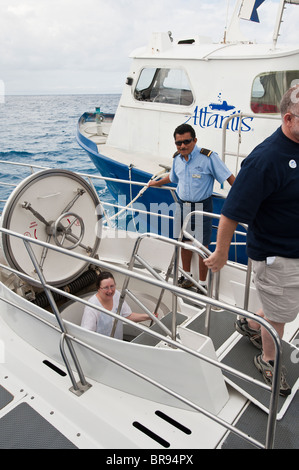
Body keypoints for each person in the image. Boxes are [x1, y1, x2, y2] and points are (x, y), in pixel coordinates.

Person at [204, 84, 299, 397]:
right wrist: (219, 253)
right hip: (276, 255)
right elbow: (232, 211)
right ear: (288, 119)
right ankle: (268, 358)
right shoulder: (264, 160)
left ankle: (251, 324)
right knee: (281, 316)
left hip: (293, 250)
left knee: (278, 308)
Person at [149, 123, 235, 290]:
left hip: (202, 208)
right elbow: (173, 177)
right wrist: (156, 183)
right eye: (178, 143)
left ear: (195, 140)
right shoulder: (177, 158)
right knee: (183, 243)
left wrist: (242, 198)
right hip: (182, 207)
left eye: (186, 141)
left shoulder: (209, 158)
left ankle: (202, 285)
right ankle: (187, 277)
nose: (182, 146)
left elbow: (230, 178)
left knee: (202, 247)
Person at [81, 271, 155, 340]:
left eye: (112, 286)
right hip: (101, 347)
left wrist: (148, 316)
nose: (110, 291)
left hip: (117, 342)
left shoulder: (116, 295)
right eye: (106, 287)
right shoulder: (92, 306)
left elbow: (128, 316)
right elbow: (87, 334)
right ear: (98, 288)